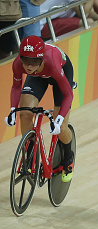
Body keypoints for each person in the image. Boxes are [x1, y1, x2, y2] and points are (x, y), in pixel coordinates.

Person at [5, 36, 76, 182]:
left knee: (61, 127)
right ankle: (31, 153)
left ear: (41, 59)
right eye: (26, 61)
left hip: (59, 73)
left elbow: (68, 95)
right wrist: (12, 110)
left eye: (33, 62)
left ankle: (68, 157)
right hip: (38, 76)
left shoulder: (52, 62)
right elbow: (16, 86)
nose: (28, 66)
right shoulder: (19, 64)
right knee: (24, 113)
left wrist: (60, 119)